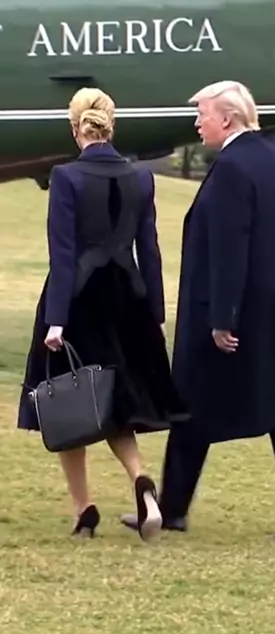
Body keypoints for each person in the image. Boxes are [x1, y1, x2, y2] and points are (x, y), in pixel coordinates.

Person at [121, 81, 275, 540]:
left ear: (226, 119)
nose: (197, 124)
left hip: (231, 312)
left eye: (201, 114)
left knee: (192, 402)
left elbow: (228, 246)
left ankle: (174, 509)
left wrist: (223, 317)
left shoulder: (231, 169)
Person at [17, 87, 187, 542]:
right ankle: (141, 481)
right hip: (128, 298)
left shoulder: (66, 177)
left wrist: (56, 320)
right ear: (111, 127)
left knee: (67, 401)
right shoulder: (141, 178)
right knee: (116, 403)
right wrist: (155, 311)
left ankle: (84, 509)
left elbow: (63, 254)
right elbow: (150, 249)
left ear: (77, 128)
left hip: (78, 299)